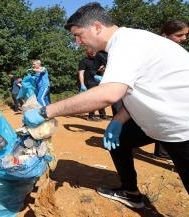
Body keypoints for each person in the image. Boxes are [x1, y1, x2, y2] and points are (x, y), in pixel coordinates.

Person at [22, 3, 189, 209]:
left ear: (97, 27)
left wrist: (45, 111)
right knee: (119, 141)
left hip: (181, 128)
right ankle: (131, 193)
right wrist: (118, 120)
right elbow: (144, 89)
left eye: (79, 35)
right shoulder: (128, 41)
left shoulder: (127, 44)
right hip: (160, 122)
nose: (77, 42)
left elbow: (109, 94)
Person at [154, 20, 188, 160]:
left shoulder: (178, 51)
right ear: (164, 35)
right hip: (160, 94)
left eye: (185, 35)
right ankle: (163, 153)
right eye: (179, 35)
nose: (184, 39)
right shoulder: (155, 52)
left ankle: (162, 152)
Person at [78, 50, 107, 121]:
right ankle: (91, 116)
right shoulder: (84, 61)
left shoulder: (98, 60)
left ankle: (102, 115)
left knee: (101, 98)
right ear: (87, 52)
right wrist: (82, 84)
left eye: (94, 52)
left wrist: (102, 70)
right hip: (89, 81)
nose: (94, 53)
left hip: (98, 81)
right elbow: (81, 73)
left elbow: (102, 71)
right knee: (93, 98)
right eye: (92, 52)